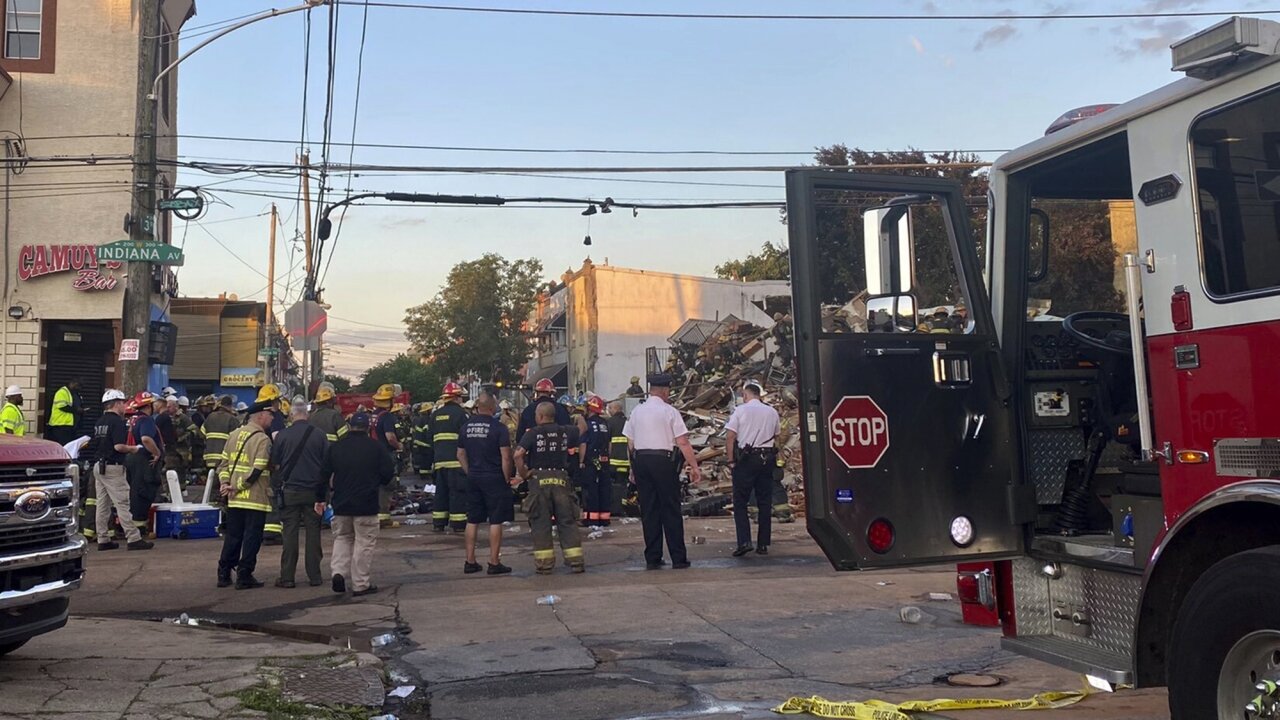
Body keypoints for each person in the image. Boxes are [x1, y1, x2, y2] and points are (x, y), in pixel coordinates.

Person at [623, 373, 702, 570]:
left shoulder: (637, 411)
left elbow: (630, 442)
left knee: (649, 510)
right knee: (671, 509)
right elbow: (682, 441)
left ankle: (653, 557)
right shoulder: (670, 411)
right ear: (665, 390)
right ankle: (678, 558)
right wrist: (694, 466)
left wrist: (632, 467)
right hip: (663, 462)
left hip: (641, 461)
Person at [323, 412, 395, 597]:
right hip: (367, 504)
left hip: (341, 504)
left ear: (349, 426)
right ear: (368, 428)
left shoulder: (337, 447)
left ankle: (338, 572)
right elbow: (388, 473)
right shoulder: (376, 447)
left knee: (342, 538)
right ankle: (360, 584)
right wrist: (375, 481)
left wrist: (320, 498)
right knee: (364, 543)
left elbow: (323, 474)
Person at [514, 402, 585, 574]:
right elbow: (582, 428)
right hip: (561, 479)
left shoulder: (532, 433)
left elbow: (518, 454)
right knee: (567, 520)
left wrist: (523, 473)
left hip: (539, 480)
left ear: (539, 416)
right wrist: (579, 415)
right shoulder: (566, 431)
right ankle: (576, 561)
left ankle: (545, 565)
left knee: (541, 523)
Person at [271, 397, 330, 588]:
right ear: (308, 414)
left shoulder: (282, 436)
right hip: (314, 492)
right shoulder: (320, 435)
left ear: (291, 415)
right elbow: (326, 466)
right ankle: (315, 576)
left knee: (290, 534)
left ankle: (287, 577)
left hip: (290, 491)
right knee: (313, 533)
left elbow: (276, 465)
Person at [216, 400, 275, 590]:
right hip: (254, 498)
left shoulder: (233, 435)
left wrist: (226, 484)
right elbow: (257, 469)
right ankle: (244, 574)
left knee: (233, 536)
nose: (272, 418)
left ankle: (224, 573)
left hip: (234, 500)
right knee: (252, 537)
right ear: (260, 416)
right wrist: (237, 486)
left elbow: (223, 465)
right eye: (270, 414)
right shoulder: (262, 439)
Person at [458, 393, 515, 575]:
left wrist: (470, 472)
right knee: (495, 520)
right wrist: (507, 478)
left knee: (472, 519)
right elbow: (506, 457)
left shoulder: (465, 427)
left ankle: (470, 561)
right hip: (494, 477)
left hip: (474, 477)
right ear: (492, 408)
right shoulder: (499, 428)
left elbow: (460, 454)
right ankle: (494, 561)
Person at [724, 380, 782, 557]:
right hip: (767, 459)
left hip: (746, 460)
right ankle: (763, 544)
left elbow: (730, 436)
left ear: (746, 395)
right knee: (765, 502)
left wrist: (731, 460)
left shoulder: (740, 411)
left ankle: (744, 541)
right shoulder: (772, 411)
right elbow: (777, 437)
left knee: (740, 502)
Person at [91, 389, 152, 551]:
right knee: (123, 503)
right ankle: (133, 538)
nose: (125, 406)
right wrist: (135, 449)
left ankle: (103, 539)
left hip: (99, 466)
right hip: (113, 468)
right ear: (117, 403)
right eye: (123, 403)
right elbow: (118, 447)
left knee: (102, 505)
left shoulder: (100, 422)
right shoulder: (117, 422)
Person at [428, 382, 469, 532]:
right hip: (456, 462)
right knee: (457, 493)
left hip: (439, 462)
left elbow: (429, 439)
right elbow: (467, 438)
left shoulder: (435, 415)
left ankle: (439, 522)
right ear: (457, 397)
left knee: (441, 493)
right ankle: (458, 524)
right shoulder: (461, 414)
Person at [126, 391, 164, 534]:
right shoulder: (146, 420)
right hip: (143, 461)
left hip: (130, 459)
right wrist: (157, 452)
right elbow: (146, 439)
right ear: (149, 406)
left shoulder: (131, 419)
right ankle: (139, 528)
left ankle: (133, 526)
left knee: (133, 492)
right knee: (143, 493)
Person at [578, 396, 614, 527]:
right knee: (604, 488)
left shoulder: (587, 425)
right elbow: (609, 445)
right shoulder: (605, 424)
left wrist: (581, 461)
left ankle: (591, 519)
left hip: (590, 461)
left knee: (590, 489)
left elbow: (583, 444)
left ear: (590, 409)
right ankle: (604, 519)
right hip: (604, 460)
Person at [606, 401, 631, 519]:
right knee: (624, 486)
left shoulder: (609, 423)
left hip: (613, 462)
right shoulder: (628, 422)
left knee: (613, 485)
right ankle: (623, 507)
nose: (608, 411)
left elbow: (609, 444)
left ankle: (614, 508)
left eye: (610, 408)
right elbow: (631, 444)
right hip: (626, 462)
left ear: (615, 409)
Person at [47, 379, 82, 445]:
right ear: (72, 383)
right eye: (78, 385)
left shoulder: (72, 394)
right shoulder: (62, 392)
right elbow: (62, 406)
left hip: (68, 426)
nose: (79, 388)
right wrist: (77, 410)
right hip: (60, 426)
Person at [410, 402, 434, 488]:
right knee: (426, 461)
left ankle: (423, 474)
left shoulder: (420, 419)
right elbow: (427, 433)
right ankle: (425, 476)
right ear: (427, 411)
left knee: (423, 460)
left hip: (419, 443)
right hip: (425, 444)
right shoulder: (426, 420)